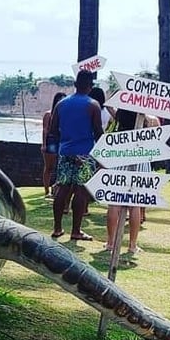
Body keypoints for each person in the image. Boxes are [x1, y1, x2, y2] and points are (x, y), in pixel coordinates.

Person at [48, 69, 103, 241]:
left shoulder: (61, 104)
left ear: (75, 84)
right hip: (85, 154)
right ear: (90, 86)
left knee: (62, 189)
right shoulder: (93, 105)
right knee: (81, 191)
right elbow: (98, 132)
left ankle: (57, 228)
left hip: (65, 152)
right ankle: (76, 231)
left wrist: (59, 149)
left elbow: (52, 131)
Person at [104, 110, 151, 256]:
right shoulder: (145, 132)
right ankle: (132, 244)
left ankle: (111, 242)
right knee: (134, 204)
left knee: (114, 203)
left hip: (119, 159)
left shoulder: (118, 135)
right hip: (140, 162)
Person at [41, 92, 66, 198]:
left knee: (62, 167)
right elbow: (45, 129)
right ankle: (47, 190)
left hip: (62, 140)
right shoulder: (49, 114)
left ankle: (56, 189)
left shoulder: (65, 115)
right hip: (51, 140)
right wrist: (44, 144)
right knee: (49, 167)